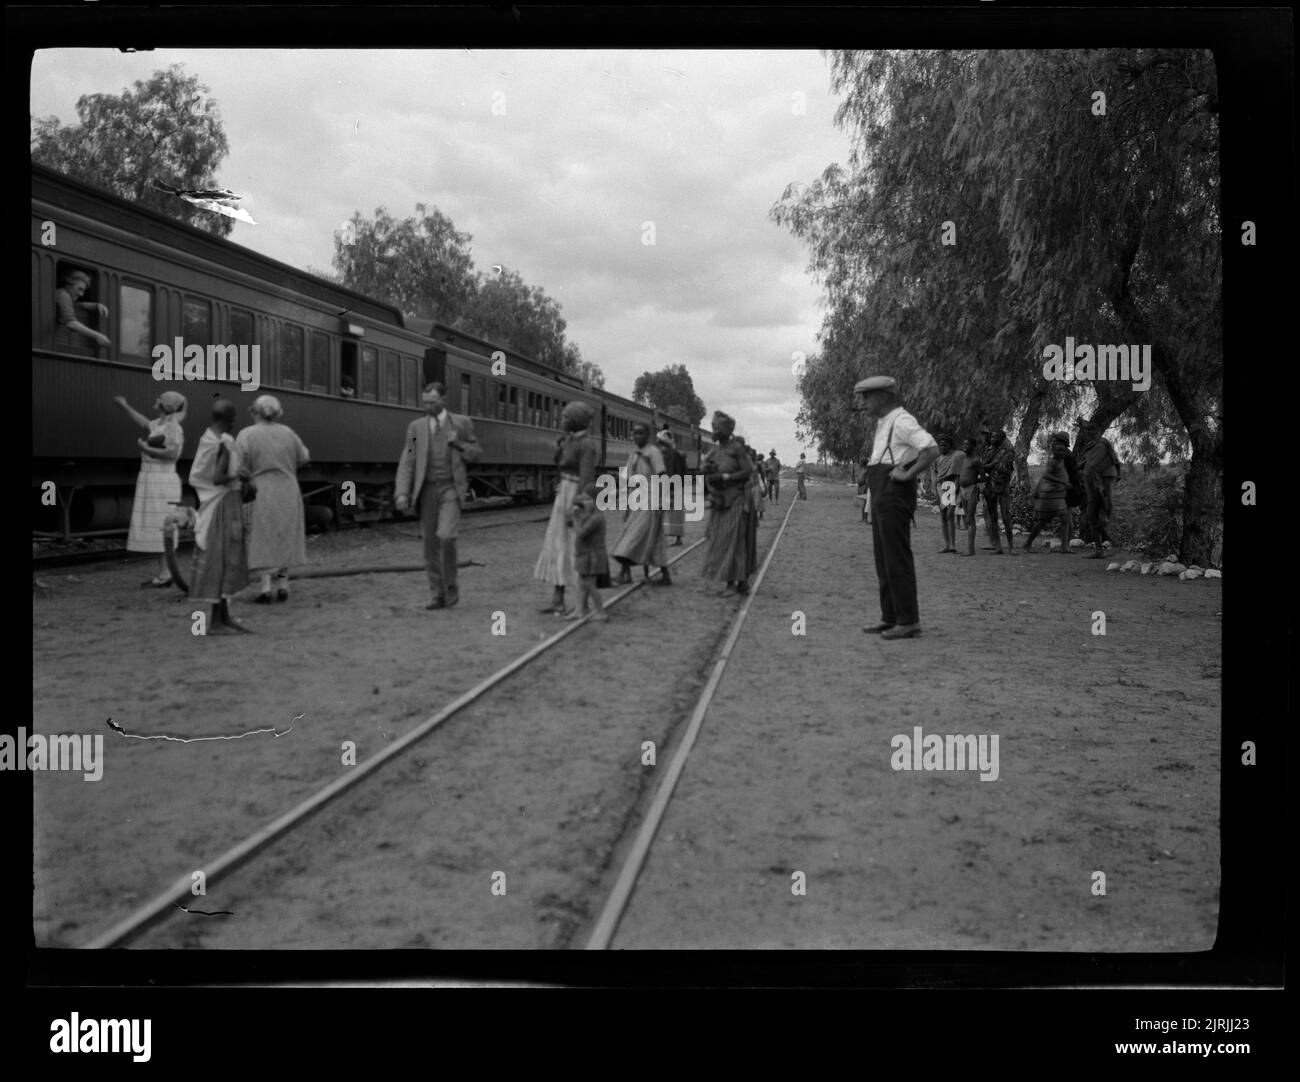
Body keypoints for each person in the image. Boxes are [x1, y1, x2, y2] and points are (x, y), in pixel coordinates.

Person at [854, 376, 940, 639]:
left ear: (882, 397)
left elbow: (931, 448)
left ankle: (908, 620)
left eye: (867, 397)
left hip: (894, 495)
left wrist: (909, 473)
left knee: (897, 558)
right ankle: (889, 617)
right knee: (883, 559)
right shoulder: (884, 423)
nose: (863, 403)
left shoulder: (901, 420)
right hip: (881, 494)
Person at [394, 381, 482, 609]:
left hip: (451, 488)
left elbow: (476, 455)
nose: (428, 407)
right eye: (425, 403)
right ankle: (437, 594)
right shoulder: (416, 428)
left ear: (444, 400)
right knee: (430, 544)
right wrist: (402, 492)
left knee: (446, 536)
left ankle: (451, 587)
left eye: (432, 402)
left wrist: (459, 444)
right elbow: (408, 460)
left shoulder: (462, 424)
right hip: (427, 490)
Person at [235, 394, 311, 604]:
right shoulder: (288, 433)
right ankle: (284, 586)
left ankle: (265, 589)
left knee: (263, 537)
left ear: (254, 412)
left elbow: (238, 465)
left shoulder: (247, 434)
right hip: (288, 488)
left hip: (262, 490)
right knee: (285, 536)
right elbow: (304, 457)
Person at [188, 397, 250, 632]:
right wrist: (240, 476)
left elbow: (201, 477)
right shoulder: (223, 442)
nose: (234, 425)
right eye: (233, 420)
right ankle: (215, 622)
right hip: (223, 508)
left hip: (215, 505)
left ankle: (223, 617)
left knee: (224, 560)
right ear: (227, 421)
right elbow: (217, 478)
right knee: (224, 561)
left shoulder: (208, 439)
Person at [114, 391, 187, 586]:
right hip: (153, 480)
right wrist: (124, 406)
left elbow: (173, 454)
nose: (156, 400)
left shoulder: (172, 427)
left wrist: (146, 449)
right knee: (159, 528)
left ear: (166, 406)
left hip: (161, 482)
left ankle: (166, 574)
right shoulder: (160, 424)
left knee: (163, 527)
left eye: (159, 399)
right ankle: (164, 573)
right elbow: (144, 423)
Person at [534, 400, 599, 614]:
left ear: (575, 421)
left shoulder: (587, 445)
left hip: (576, 497)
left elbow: (587, 479)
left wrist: (577, 507)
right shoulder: (568, 441)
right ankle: (558, 599)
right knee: (557, 545)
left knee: (576, 549)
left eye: (565, 417)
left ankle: (583, 604)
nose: (561, 421)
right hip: (563, 494)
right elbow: (560, 465)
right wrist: (558, 449)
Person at [701, 411, 755, 593]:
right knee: (721, 540)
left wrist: (725, 476)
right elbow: (705, 470)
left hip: (736, 501)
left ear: (726, 430)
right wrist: (706, 470)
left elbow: (747, 471)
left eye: (716, 428)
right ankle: (731, 581)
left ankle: (735, 584)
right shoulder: (715, 450)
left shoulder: (736, 449)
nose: (713, 431)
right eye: (712, 427)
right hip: (720, 502)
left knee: (734, 541)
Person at [611, 422, 671, 585]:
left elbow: (662, 475)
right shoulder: (634, 454)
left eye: (640, 433)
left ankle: (625, 572)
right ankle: (628, 574)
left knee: (633, 537)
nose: (636, 436)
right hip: (636, 500)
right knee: (648, 537)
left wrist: (661, 501)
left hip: (650, 500)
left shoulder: (653, 452)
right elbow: (629, 479)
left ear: (648, 435)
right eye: (634, 433)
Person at [1077, 418, 1122, 559]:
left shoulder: (1101, 445)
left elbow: (1093, 465)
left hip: (1101, 483)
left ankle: (1113, 541)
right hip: (1093, 485)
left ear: (1092, 432)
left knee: (1104, 511)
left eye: (1086, 431)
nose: (1084, 434)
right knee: (1091, 516)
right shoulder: (1092, 447)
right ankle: (1100, 549)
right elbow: (1087, 465)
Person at [1023, 434, 1074, 554]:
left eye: (1063, 450)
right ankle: (1027, 543)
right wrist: (1063, 482)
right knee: (1042, 521)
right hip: (1050, 496)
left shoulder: (1061, 461)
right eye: (1059, 450)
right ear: (1054, 451)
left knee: (1064, 518)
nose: (1061, 452)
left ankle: (1064, 546)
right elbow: (1046, 475)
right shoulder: (1053, 462)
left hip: (1057, 495)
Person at [567, 483, 611, 622]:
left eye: (587, 499)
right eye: (583, 499)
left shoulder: (596, 518)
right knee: (582, 583)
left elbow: (581, 533)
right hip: (585, 555)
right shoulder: (591, 514)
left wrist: (574, 519)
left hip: (593, 557)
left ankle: (601, 612)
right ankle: (579, 610)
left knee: (590, 585)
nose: (583, 502)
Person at [979, 428, 1017, 555]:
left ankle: (1011, 546)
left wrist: (992, 465)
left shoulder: (1008, 451)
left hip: (1003, 487)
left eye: (996, 437)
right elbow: (983, 466)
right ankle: (999, 547)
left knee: (1006, 518)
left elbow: (1004, 467)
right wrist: (993, 465)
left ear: (1002, 439)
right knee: (993, 518)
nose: (993, 439)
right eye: (992, 436)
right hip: (990, 487)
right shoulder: (987, 451)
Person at [55, 269, 111, 352]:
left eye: (83, 290)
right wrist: (97, 336)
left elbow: (74, 305)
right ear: (69, 284)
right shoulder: (63, 295)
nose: (82, 294)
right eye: (80, 289)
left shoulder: (62, 294)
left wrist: (95, 305)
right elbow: (71, 323)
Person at [930, 433, 963, 553]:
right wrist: (934, 489)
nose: (942, 447)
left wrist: (956, 491)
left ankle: (953, 544)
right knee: (943, 517)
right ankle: (946, 544)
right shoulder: (937, 459)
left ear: (950, 445)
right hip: (940, 488)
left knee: (950, 515)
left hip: (951, 487)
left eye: (945, 445)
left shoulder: (957, 456)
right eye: (940, 445)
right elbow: (934, 473)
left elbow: (958, 475)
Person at [656, 429, 687, 546]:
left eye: (661, 443)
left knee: (676, 514)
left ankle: (678, 539)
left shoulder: (676, 455)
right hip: (664, 487)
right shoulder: (662, 455)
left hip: (674, 487)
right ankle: (663, 537)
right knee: (664, 512)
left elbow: (680, 472)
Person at [956, 437, 981, 556]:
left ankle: (971, 550)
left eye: (967, 444)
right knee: (967, 519)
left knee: (970, 519)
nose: (964, 446)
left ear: (973, 446)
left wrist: (974, 481)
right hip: (962, 490)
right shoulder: (963, 459)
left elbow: (983, 476)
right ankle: (970, 549)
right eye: (963, 444)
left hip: (971, 490)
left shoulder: (976, 461)